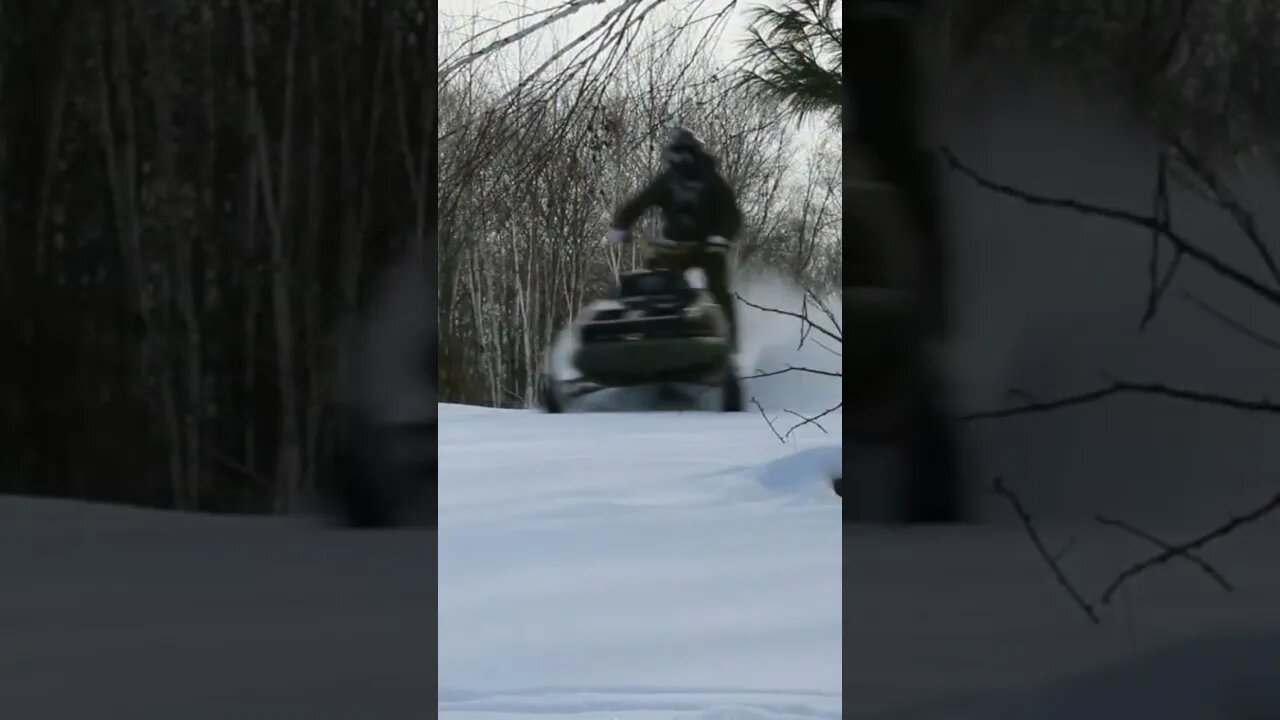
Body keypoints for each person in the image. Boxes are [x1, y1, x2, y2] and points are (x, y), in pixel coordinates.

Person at [604, 127, 744, 349]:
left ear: (693, 154)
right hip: (674, 247)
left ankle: (732, 344)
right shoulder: (668, 181)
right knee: (654, 284)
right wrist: (620, 225)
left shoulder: (712, 182)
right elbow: (640, 202)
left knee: (718, 291)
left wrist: (721, 237)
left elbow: (732, 215)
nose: (679, 161)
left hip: (707, 248)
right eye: (675, 155)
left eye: (683, 154)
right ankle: (652, 336)